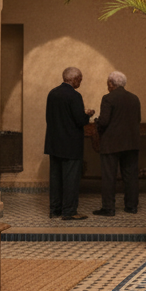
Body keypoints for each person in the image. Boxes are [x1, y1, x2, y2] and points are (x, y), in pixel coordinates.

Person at [45, 66, 93, 221]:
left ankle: (55, 210)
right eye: (80, 79)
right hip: (71, 145)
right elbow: (79, 120)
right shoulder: (74, 95)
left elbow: (50, 118)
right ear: (75, 79)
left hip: (54, 143)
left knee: (56, 179)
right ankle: (69, 211)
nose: (80, 82)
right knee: (71, 179)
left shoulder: (52, 93)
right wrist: (87, 115)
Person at [95, 70, 141, 215]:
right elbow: (138, 119)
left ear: (111, 83)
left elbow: (104, 121)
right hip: (131, 142)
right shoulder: (134, 98)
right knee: (131, 176)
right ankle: (131, 206)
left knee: (109, 176)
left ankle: (109, 208)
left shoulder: (108, 98)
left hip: (111, 143)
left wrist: (96, 122)